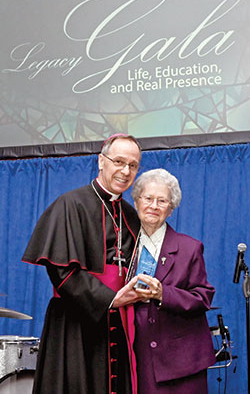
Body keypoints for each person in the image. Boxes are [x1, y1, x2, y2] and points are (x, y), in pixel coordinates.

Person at [22, 134, 144, 394]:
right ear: (101, 161)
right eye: (119, 161)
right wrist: (110, 299)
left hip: (118, 323)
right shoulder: (71, 204)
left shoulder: (131, 215)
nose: (125, 171)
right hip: (75, 324)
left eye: (133, 165)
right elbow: (62, 271)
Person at [130, 168, 216, 394]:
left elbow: (202, 297)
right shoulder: (119, 246)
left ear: (170, 210)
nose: (154, 206)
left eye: (162, 201)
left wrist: (162, 294)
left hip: (181, 364)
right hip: (134, 357)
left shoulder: (190, 248)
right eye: (148, 198)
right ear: (137, 202)